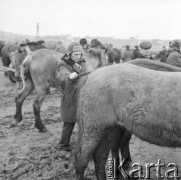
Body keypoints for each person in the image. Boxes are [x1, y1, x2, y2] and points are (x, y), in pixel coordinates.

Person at [58, 42, 86, 150]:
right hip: (69, 97)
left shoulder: (81, 62)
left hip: (80, 95)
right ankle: (63, 145)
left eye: (80, 54)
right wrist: (69, 75)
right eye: (75, 55)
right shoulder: (63, 64)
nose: (78, 57)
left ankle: (83, 145)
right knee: (69, 123)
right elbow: (62, 73)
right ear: (69, 54)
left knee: (83, 122)